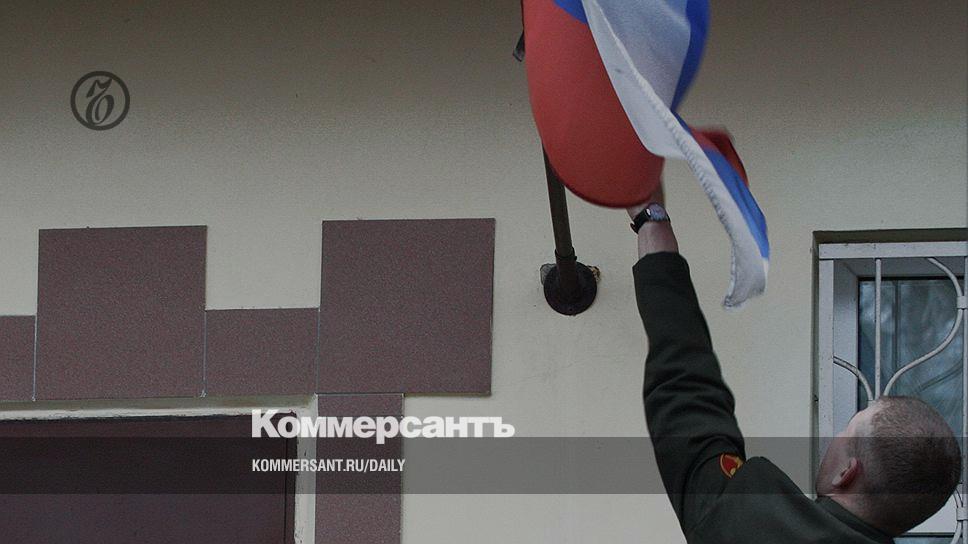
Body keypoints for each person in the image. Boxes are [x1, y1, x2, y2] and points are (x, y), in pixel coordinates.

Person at [628, 192, 962, 542]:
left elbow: (686, 389)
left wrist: (651, 218)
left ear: (846, 472)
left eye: (845, 433)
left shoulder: (749, 522)